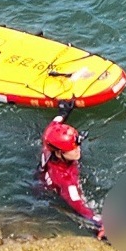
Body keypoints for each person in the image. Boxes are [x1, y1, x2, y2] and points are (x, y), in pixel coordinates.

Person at [39, 99, 105, 237]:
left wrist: (63, 112)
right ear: (59, 153)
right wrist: (101, 224)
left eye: (78, 145)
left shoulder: (48, 142)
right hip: (51, 193)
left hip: (43, 172)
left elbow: (53, 126)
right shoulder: (67, 180)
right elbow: (79, 206)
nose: (78, 150)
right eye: (72, 148)